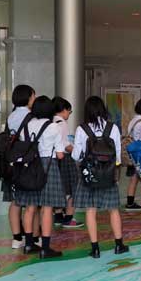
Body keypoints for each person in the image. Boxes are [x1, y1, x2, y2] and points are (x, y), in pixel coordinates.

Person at [72, 96, 130, 258]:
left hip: (89, 177)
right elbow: (117, 156)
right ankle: (119, 245)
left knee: (91, 211)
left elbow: (76, 156)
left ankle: (95, 249)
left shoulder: (82, 129)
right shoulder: (113, 128)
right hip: (109, 175)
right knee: (113, 210)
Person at [14, 96, 66, 259]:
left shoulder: (26, 126)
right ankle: (45, 247)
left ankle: (29, 244)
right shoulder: (53, 127)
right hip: (47, 167)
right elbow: (59, 155)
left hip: (29, 167)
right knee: (47, 208)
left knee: (30, 207)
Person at [4, 84, 36, 249]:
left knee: (16, 201)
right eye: (33, 96)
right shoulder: (31, 116)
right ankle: (33, 237)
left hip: (12, 161)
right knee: (32, 202)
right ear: (29, 97)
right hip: (28, 161)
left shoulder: (11, 116)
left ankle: (17, 238)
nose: (34, 99)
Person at [52, 96, 83, 229]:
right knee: (73, 188)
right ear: (63, 110)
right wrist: (78, 151)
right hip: (65, 159)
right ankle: (69, 218)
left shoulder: (50, 121)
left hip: (53, 159)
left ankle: (58, 216)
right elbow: (65, 145)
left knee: (60, 188)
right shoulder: (62, 124)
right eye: (69, 112)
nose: (69, 115)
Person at [124, 98, 141, 212]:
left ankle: (130, 203)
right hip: (140, 154)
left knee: (134, 179)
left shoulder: (133, 121)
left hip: (131, 154)